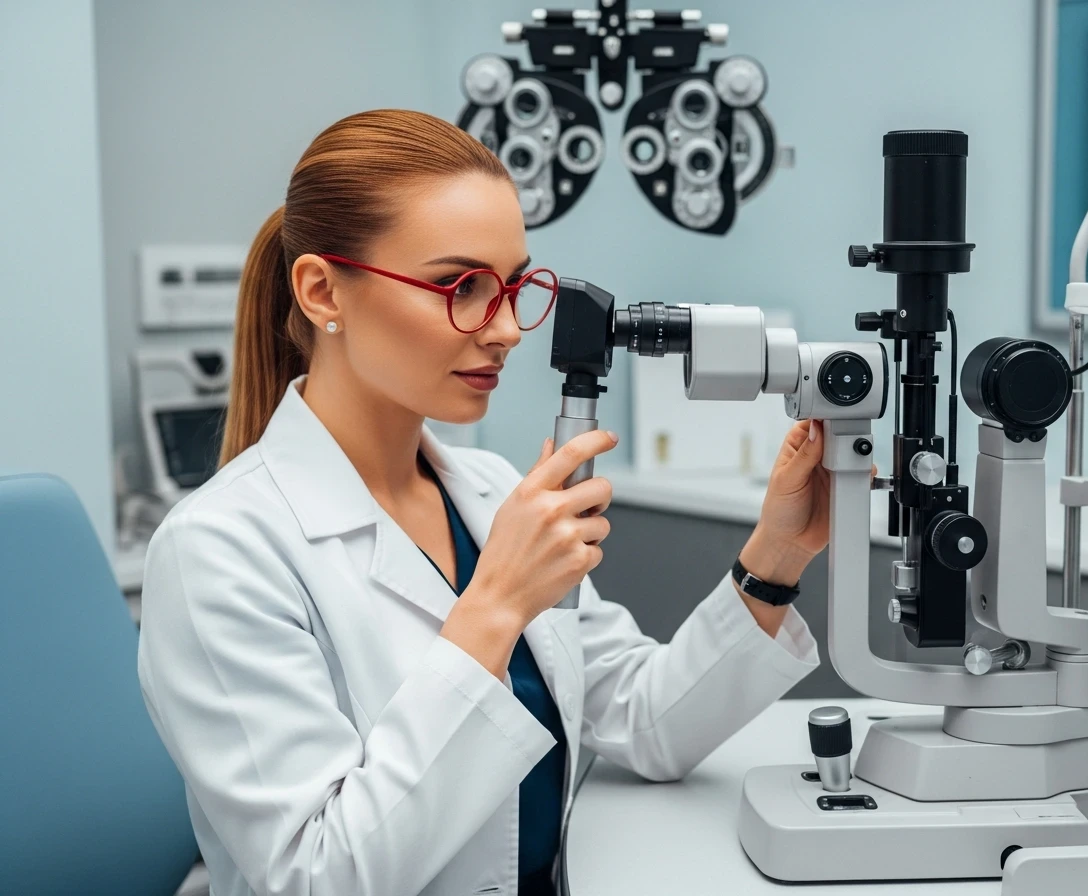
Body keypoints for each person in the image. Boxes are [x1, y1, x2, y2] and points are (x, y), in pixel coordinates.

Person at [138, 109, 834, 896]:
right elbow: (316, 876)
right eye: (459, 286)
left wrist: (778, 553)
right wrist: (494, 607)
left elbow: (645, 721)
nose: (505, 329)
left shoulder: (490, 492)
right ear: (322, 290)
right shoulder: (219, 552)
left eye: (512, 286)